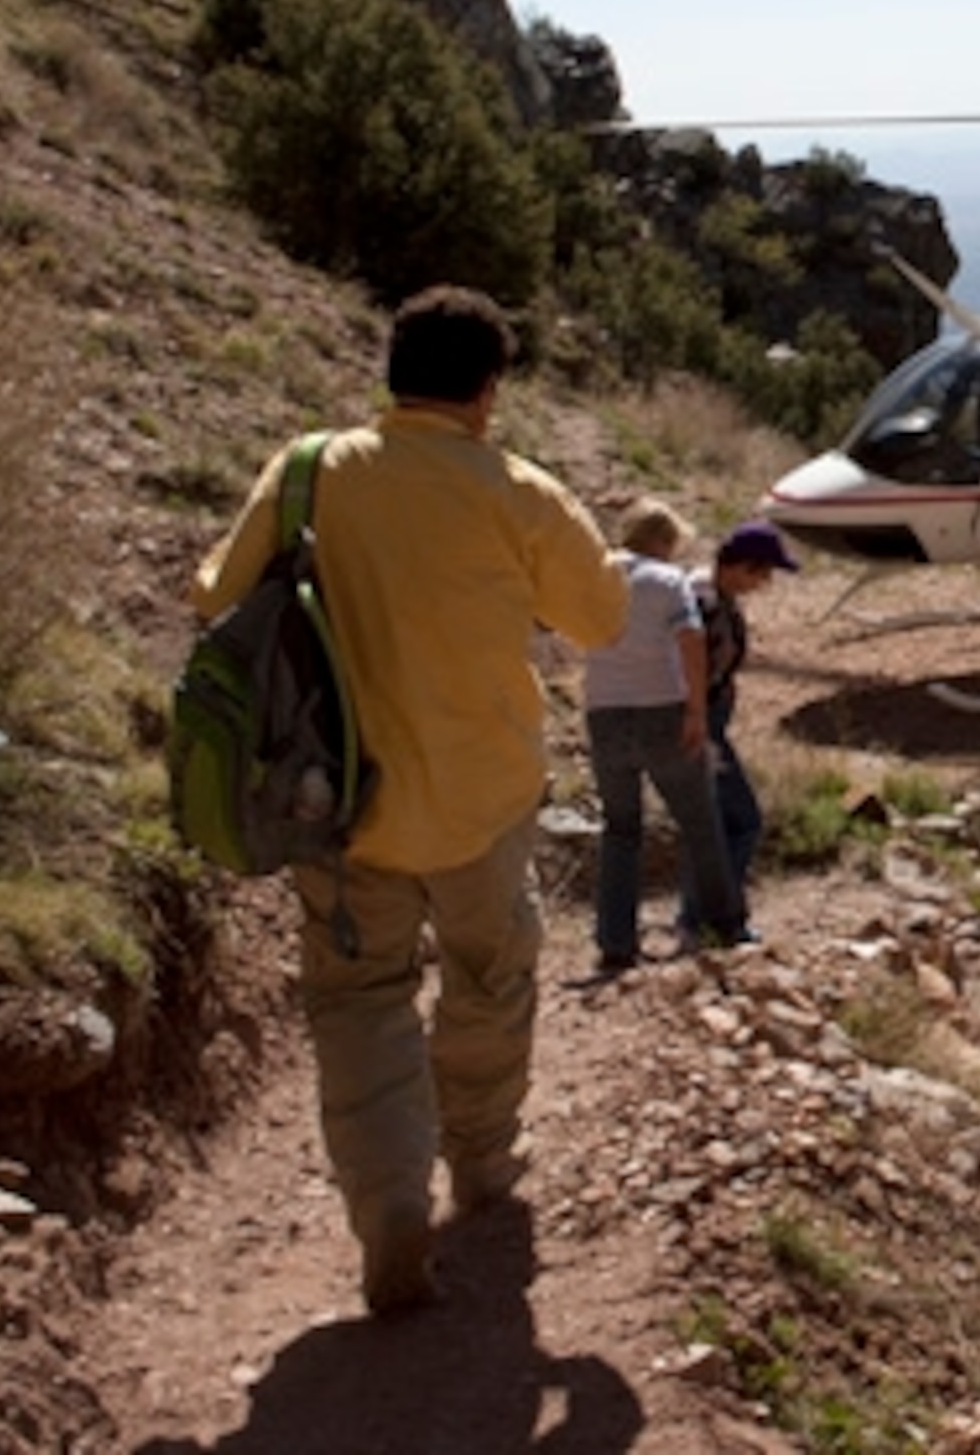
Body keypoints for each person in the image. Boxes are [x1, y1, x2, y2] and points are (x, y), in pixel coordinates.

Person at [189, 285, 626, 1317]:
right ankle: (481, 1163)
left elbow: (215, 598)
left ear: (391, 373)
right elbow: (602, 621)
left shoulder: (309, 470)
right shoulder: (519, 490)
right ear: (488, 390)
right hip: (483, 796)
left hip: (333, 805)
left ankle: (389, 1200)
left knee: (357, 1001)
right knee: (489, 975)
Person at [576, 499, 744, 966]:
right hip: (661, 708)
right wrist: (695, 710)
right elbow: (691, 643)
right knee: (698, 821)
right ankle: (723, 924)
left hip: (605, 711)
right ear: (663, 540)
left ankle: (615, 942)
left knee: (621, 828)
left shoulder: (594, 575)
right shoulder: (668, 581)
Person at [687, 519, 801, 941]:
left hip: (706, 721)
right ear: (740, 566)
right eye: (762, 573)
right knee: (742, 821)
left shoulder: (711, 598)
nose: (763, 583)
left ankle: (700, 915)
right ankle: (720, 917)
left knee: (711, 820)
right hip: (702, 723)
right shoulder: (704, 604)